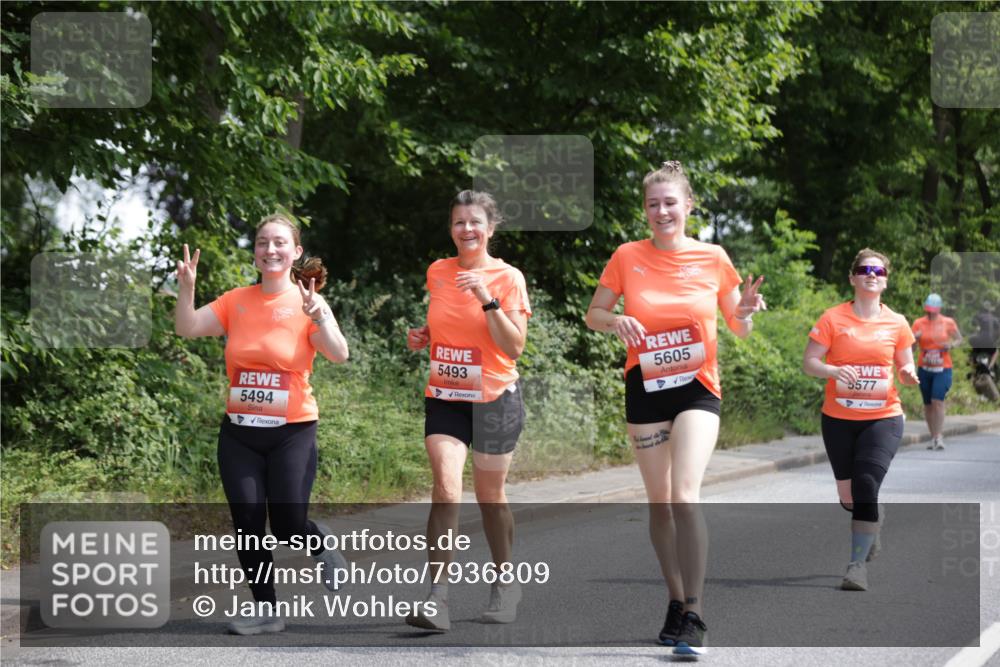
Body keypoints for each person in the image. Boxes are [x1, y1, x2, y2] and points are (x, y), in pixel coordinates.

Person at [584, 161, 765, 657]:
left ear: (688, 206)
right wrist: (615, 321)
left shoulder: (713, 257)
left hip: (697, 388)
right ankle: (675, 600)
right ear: (645, 210)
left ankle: (697, 613)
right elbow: (593, 314)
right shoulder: (627, 255)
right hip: (645, 386)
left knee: (685, 494)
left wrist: (744, 312)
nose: (661, 211)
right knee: (659, 503)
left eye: (670, 202)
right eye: (652, 204)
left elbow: (738, 326)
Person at [175, 213, 350, 635]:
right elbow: (187, 328)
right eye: (262, 243)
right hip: (240, 433)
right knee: (248, 522)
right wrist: (186, 290)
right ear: (254, 252)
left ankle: (319, 542)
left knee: (288, 525)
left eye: (279, 243)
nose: (270, 250)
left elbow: (339, 354)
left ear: (296, 252)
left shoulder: (309, 301)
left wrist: (320, 317)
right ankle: (267, 610)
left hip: (292, 430)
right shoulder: (236, 300)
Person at [404, 190, 531, 632]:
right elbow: (444, 323)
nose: (466, 229)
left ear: (490, 228)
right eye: (459, 222)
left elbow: (514, 345)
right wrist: (425, 336)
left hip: (495, 398)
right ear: (451, 229)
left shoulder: (507, 277)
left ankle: (505, 581)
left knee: (490, 498)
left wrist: (486, 298)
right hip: (446, 396)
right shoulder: (438, 272)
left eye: (475, 222)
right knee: (445, 486)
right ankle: (437, 598)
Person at [803, 248, 918, 592]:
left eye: (879, 271)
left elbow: (904, 365)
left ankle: (856, 566)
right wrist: (835, 370)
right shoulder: (832, 318)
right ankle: (873, 519)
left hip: (883, 417)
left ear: (885, 281)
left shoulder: (897, 322)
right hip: (838, 419)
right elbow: (810, 362)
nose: (872, 275)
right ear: (852, 277)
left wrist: (909, 373)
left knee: (866, 485)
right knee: (850, 498)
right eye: (865, 269)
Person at [911, 294, 962, 450]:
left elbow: (960, 339)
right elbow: (911, 348)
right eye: (928, 310)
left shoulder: (948, 322)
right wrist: (914, 338)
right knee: (927, 404)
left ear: (939, 309)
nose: (930, 313)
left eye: (933, 310)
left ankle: (939, 437)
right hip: (924, 369)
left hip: (943, 368)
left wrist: (951, 345)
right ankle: (933, 436)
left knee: (937, 401)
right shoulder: (918, 323)